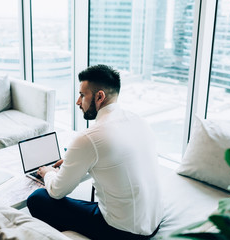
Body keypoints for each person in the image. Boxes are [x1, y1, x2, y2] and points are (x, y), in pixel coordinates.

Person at [27, 64, 163, 240]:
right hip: (153, 221)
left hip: (125, 232)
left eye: (82, 95)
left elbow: (57, 191)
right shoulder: (138, 120)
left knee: (38, 198)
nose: (78, 101)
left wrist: (49, 173)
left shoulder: (89, 138)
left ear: (100, 96)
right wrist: (72, 160)